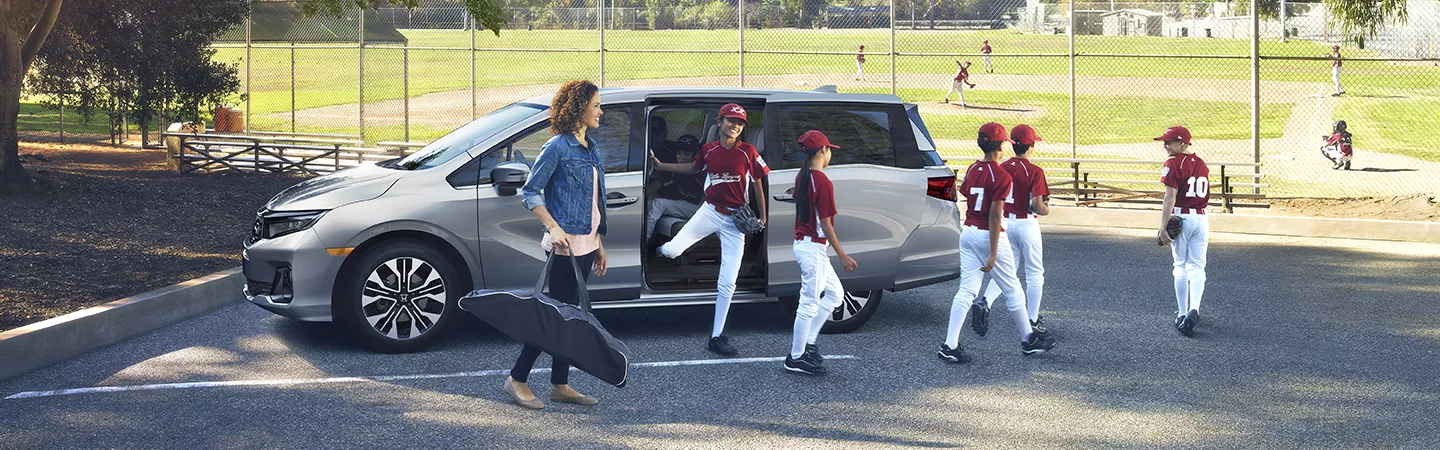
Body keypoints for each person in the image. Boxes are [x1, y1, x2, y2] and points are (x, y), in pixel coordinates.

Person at [508, 80, 609, 409]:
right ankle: (517, 378)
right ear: (580, 107)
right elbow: (530, 191)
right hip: (564, 247)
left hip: (586, 244)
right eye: (596, 105)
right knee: (554, 318)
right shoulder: (557, 147)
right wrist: (552, 227)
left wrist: (599, 242)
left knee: (570, 317)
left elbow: (593, 201)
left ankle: (559, 384)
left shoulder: (590, 148)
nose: (600, 111)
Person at [650, 103, 769, 357]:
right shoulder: (709, 149)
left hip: (735, 220)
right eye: (730, 121)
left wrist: (763, 217)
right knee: (672, 251)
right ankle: (658, 251)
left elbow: (758, 183)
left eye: (739, 123)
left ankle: (716, 337)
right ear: (719, 123)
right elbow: (693, 168)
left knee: (728, 282)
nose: (735, 126)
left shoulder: (748, 152)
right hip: (709, 211)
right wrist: (661, 165)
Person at [939, 123, 1056, 364]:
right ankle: (1028, 340)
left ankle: (949, 345)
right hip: (987, 233)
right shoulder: (1000, 175)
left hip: (968, 231)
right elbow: (994, 215)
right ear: (1001, 145)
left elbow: (967, 193)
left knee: (967, 289)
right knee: (1013, 287)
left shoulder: (972, 169)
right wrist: (993, 252)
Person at [784, 130, 858, 375]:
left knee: (836, 294)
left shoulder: (803, 177)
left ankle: (809, 342)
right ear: (823, 151)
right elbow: (826, 223)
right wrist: (843, 254)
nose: (830, 155)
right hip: (812, 248)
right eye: (829, 150)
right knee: (808, 304)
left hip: (808, 246)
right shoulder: (822, 181)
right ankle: (796, 356)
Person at [970, 124, 1051, 337]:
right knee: (1034, 273)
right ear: (1031, 146)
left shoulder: (1002, 167)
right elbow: (1036, 205)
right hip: (1026, 224)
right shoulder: (1034, 171)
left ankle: (986, 301)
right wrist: (1046, 209)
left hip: (1005, 221)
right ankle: (1032, 319)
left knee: (1009, 269)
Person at [1155, 126, 1209, 337]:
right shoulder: (1201, 163)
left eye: (1170, 142)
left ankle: (1183, 313)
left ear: (1183, 143)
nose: (1165, 145)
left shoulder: (1173, 163)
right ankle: (1195, 307)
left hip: (1182, 217)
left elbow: (1170, 197)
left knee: (1180, 265)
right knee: (1197, 265)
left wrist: (1163, 225)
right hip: (1201, 218)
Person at [646, 134, 704, 239]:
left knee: (659, 204)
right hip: (683, 203)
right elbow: (656, 185)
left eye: (686, 154)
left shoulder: (700, 172)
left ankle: (645, 241)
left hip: (699, 208)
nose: (681, 157)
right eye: (679, 153)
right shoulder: (674, 167)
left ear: (695, 155)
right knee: (649, 201)